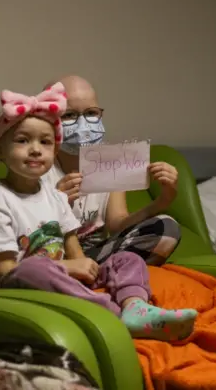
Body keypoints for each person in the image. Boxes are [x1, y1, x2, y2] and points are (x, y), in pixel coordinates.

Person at [0, 83, 197, 341]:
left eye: (45, 142)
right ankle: (112, 314)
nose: (35, 149)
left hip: (65, 267)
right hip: (15, 279)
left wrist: (82, 267)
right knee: (34, 267)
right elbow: (7, 270)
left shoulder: (61, 191)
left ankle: (135, 306)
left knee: (128, 260)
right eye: (22, 141)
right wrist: (70, 266)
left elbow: (75, 241)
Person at [40, 75, 181, 266]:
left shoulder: (111, 161)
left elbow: (118, 225)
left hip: (98, 256)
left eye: (91, 113)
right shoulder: (37, 166)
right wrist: (56, 204)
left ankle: (103, 273)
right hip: (55, 257)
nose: (83, 124)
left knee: (166, 227)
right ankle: (106, 273)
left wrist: (161, 201)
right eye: (69, 115)